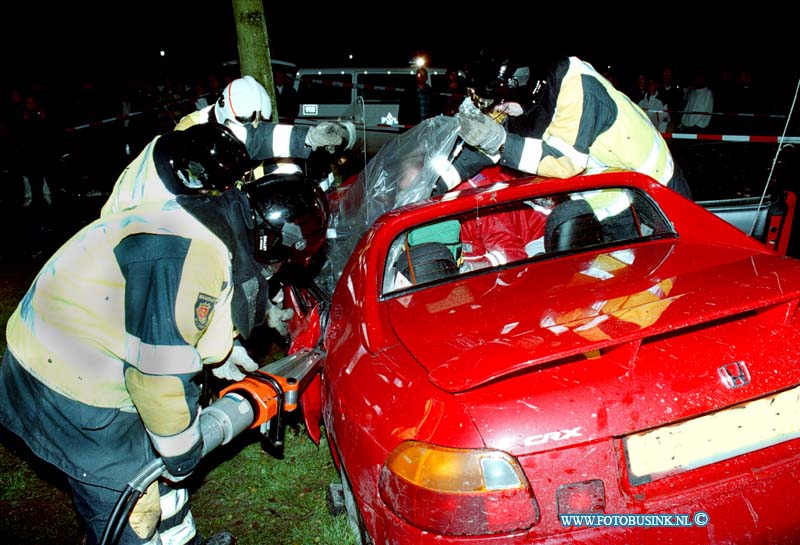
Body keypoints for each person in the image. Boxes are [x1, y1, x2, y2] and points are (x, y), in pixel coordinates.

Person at [0, 123, 330, 545]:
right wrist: (182, 452)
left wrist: (221, 351)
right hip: (63, 387)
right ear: (270, 242)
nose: (279, 270)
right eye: (283, 260)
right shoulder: (193, 257)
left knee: (158, 451)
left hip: (64, 347)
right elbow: (157, 378)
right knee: (132, 510)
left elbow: (179, 310)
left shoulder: (206, 219)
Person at [449, 54, 692, 200]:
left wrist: (499, 142)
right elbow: (478, 150)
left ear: (523, 86)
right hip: (612, 194)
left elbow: (564, 161)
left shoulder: (579, 88)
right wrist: (427, 183)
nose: (499, 112)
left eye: (502, 104)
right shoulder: (523, 97)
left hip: (657, 187)